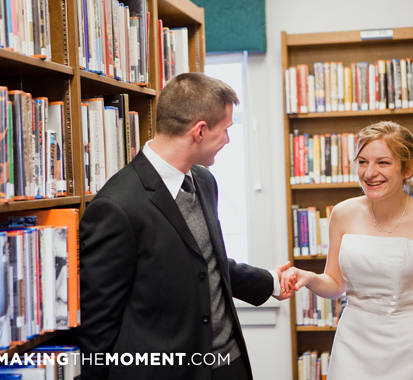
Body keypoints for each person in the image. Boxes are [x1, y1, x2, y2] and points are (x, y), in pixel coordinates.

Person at [78, 73, 292, 380]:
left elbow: (205, 261)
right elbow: (98, 322)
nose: (228, 140)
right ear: (200, 131)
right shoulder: (116, 207)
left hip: (228, 365)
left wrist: (269, 282)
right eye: (226, 130)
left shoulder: (204, 181)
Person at [282, 121, 413, 380]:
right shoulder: (342, 214)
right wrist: (308, 278)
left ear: (407, 169)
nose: (369, 173)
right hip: (354, 344)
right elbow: (335, 284)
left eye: (383, 163)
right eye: (362, 162)